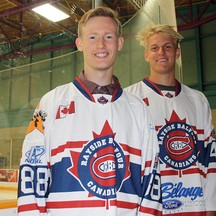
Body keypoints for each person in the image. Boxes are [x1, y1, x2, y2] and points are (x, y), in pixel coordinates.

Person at [17, 7, 160, 216]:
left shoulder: (139, 109)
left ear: (120, 43)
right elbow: (31, 174)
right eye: (92, 37)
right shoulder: (49, 104)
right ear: (79, 43)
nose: (101, 44)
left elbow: (151, 179)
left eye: (108, 36)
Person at [125, 23, 216, 215]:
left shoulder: (198, 100)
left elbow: (210, 157)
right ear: (146, 55)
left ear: (177, 52)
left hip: (194, 206)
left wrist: (211, 208)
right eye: (154, 48)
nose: (161, 52)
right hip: (147, 207)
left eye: (167, 46)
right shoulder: (129, 99)